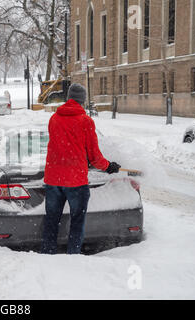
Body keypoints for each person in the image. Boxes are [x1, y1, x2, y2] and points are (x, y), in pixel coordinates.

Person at [41, 83, 121, 255]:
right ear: (82, 100)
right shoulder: (85, 121)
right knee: (77, 221)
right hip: (75, 181)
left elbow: (62, 146)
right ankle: (73, 256)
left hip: (54, 178)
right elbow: (94, 156)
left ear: (68, 98)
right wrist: (109, 167)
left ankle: (47, 254)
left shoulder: (54, 118)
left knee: (51, 221)